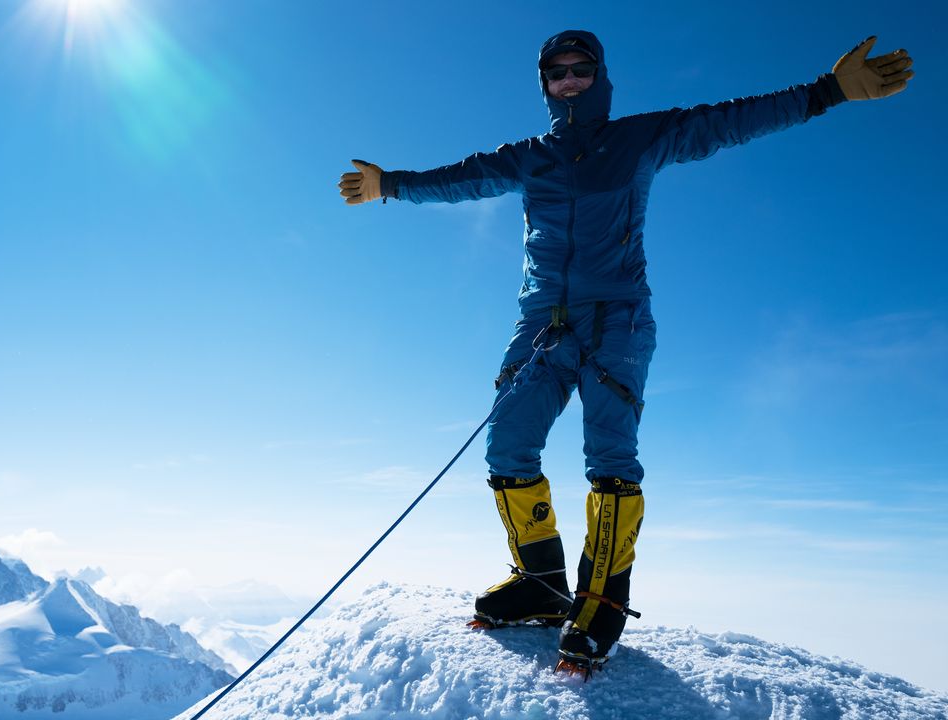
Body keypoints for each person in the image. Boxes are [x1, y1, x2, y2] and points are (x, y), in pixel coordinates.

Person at [337, 29, 913, 674]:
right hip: (541, 325)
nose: (570, 79)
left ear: (599, 75)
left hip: (617, 319)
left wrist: (828, 91)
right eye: (557, 72)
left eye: (581, 68)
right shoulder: (530, 156)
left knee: (609, 457)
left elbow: (730, 121)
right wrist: (391, 184)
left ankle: (603, 601)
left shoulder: (641, 138)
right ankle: (543, 585)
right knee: (507, 445)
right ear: (546, 85)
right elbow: (460, 180)